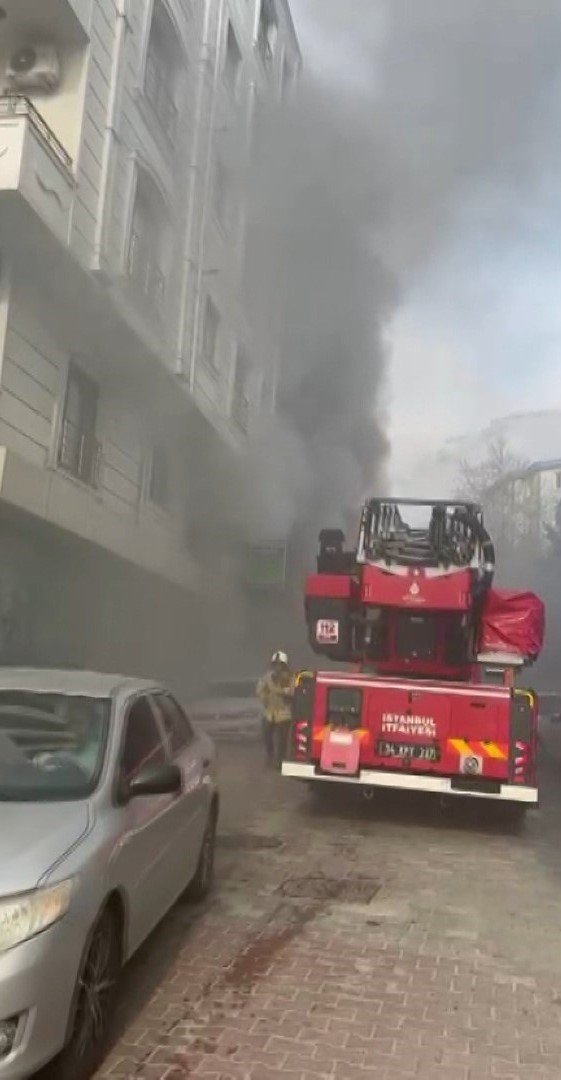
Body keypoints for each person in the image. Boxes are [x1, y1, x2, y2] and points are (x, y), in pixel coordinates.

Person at [256, 651, 296, 769]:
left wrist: (281, 691)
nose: (278, 667)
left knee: (282, 740)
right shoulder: (267, 677)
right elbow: (260, 690)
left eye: (280, 665)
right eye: (275, 664)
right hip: (269, 712)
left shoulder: (290, 678)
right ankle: (270, 756)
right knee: (266, 735)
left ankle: (280, 760)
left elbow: (292, 691)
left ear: (284, 666)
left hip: (284, 713)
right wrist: (264, 697)